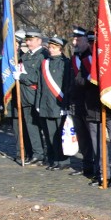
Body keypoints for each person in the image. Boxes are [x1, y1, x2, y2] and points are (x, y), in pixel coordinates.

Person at [14, 29, 48, 165]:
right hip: (25, 96)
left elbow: (37, 77)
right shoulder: (25, 56)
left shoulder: (43, 55)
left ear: (39, 40)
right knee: (31, 126)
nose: (28, 43)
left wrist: (21, 76)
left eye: (31, 40)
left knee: (43, 127)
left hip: (38, 96)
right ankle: (37, 153)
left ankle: (50, 154)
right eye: (27, 40)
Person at [37, 36, 71, 170]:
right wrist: (38, 103)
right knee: (50, 135)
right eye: (49, 47)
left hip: (59, 104)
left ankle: (63, 160)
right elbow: (40, 84)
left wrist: (66, 104)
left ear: (60, 49)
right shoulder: (45, 63)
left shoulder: (65, 63)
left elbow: (67, 85)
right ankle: (54, 159)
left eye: (53, 47)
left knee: (60, 134)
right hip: (46, 104)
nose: (50, 50)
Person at [68, 27, 95, 177]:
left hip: (88, 104)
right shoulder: (74, 57)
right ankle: (86, 167)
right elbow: (69, 82)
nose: (74, 42)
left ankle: (95, 167)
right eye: (74, 39)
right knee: (82, 137)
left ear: (86, 40)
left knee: (92, 137)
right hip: (76, 103)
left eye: (78, 39)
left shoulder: (91, 58)